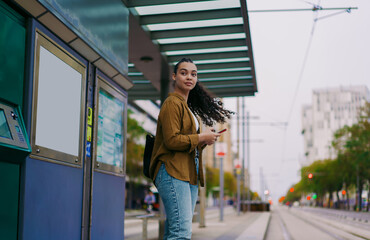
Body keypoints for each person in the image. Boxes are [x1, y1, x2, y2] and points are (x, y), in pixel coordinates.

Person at [149, 58, 233, 239]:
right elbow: (172, 141)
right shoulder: (172, 103)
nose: (189, 77)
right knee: (181, 233)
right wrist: (201, 136)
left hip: (186, 172)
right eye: (184, 72)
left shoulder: (185, 107)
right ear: (174, 76)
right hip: (172, 170)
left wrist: (203, 141)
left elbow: (185, 142)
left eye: (193, 74)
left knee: (175, 230)